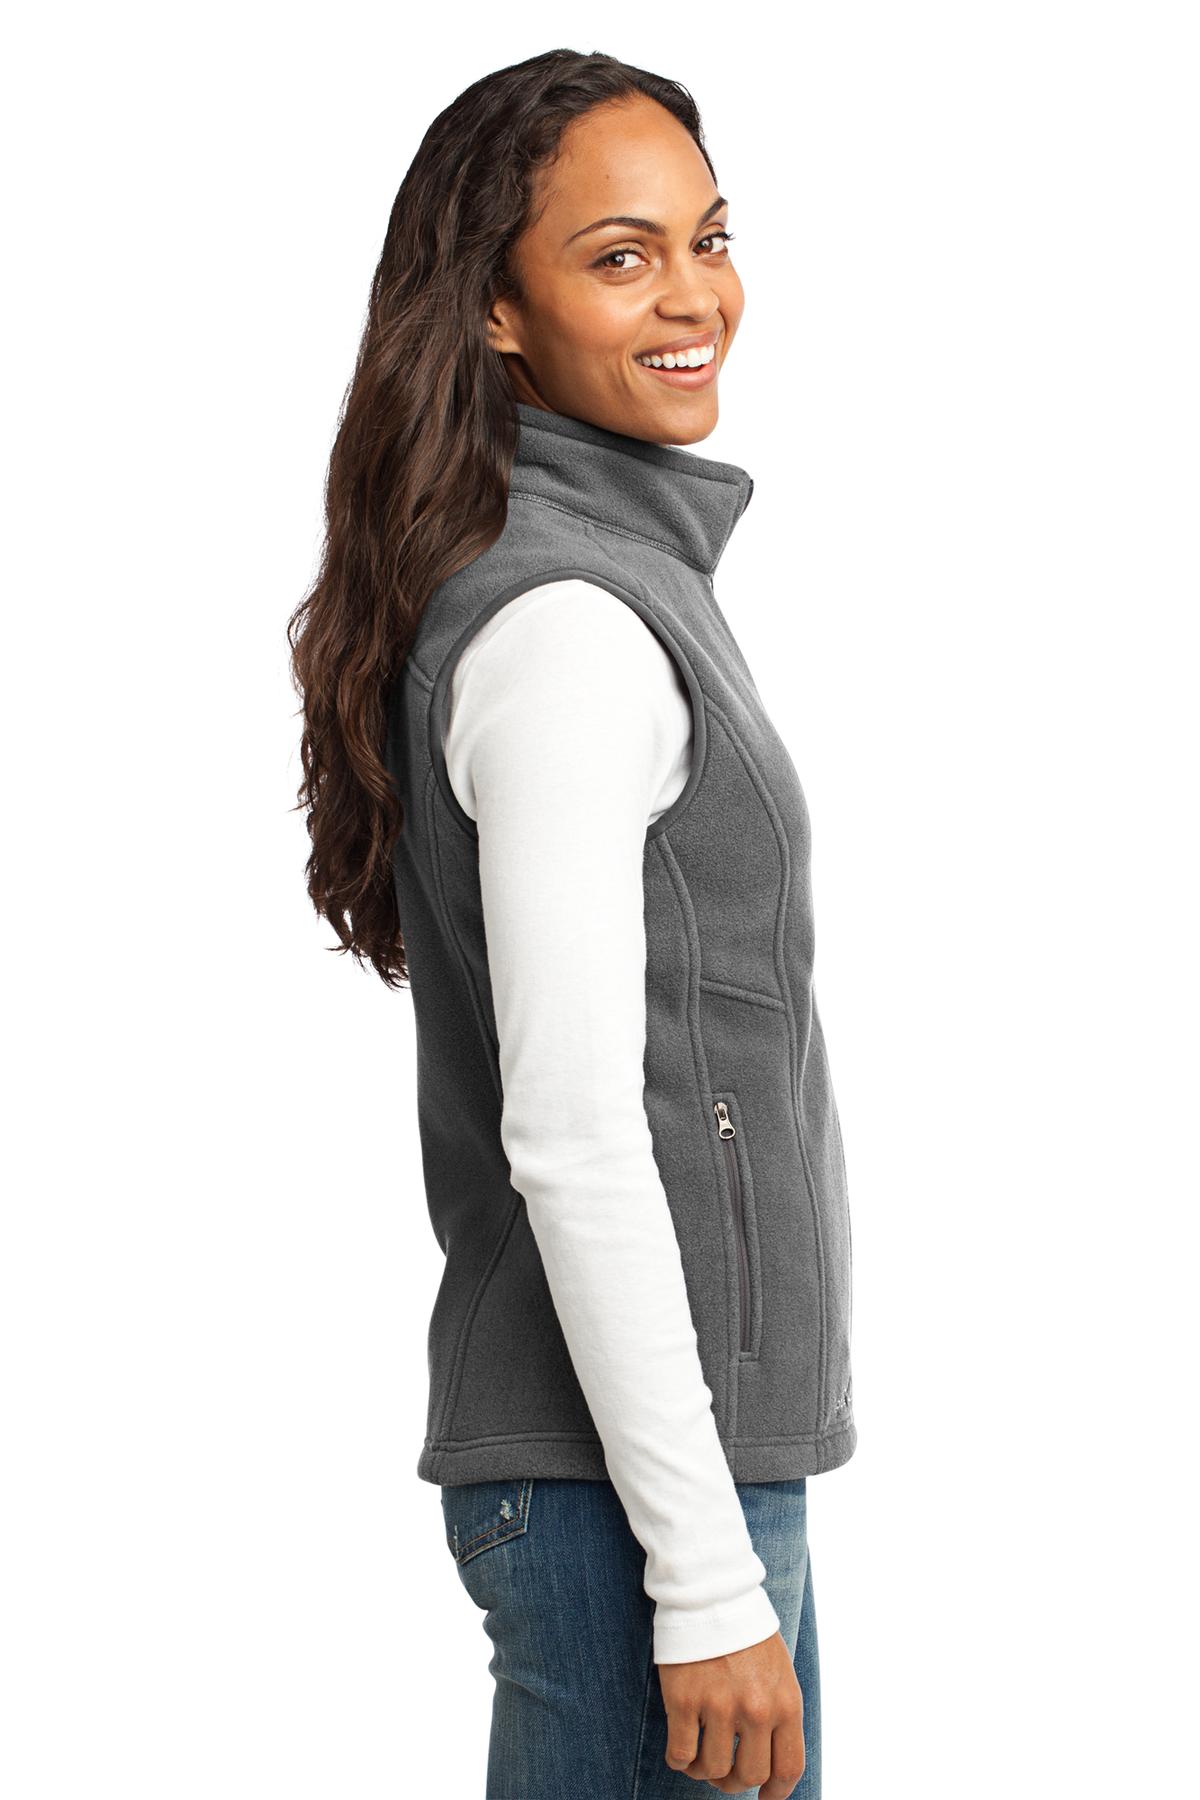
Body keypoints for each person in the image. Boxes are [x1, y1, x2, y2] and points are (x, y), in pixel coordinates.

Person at [290, 48, 856, 1800]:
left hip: (659, 1473)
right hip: (636, 1496)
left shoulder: (602, 584)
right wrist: (706, 1576)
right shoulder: (570, 630)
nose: (694, 297)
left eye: (709, 239)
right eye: (621, 257)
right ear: (497, 311)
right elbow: (574, 1132)